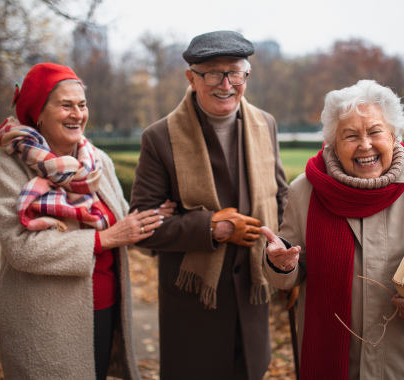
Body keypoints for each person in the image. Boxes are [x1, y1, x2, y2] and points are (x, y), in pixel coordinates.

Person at [262, 80, 404, 379]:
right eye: (350, 135)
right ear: (333, 145)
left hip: (400, 365)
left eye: (375, 131)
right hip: (328, 364)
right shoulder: (305, 191)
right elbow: (293, 268)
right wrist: (282, 266)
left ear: (393, 135)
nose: (365, 145)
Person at [0, 63, 176, 379]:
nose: (77, 113)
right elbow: (20, 247)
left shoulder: (97, 160)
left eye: (82, 104)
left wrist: (153, 217)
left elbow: (118, 218)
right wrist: (105, 239)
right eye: (66, 105)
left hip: (104, 307)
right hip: (44, 319)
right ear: (39, 114)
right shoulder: (11, 167)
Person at [130, 30, 288, 379]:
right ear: (191, 78)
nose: (226, 84)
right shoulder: (159, 138)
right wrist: (213, 227)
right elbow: (142, 228)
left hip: (252, 298)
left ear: (247, 75)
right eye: (213, 73)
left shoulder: (267, 125)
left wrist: (289, 261)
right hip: (193, 308)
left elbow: (281, 201)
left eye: (235, 73)